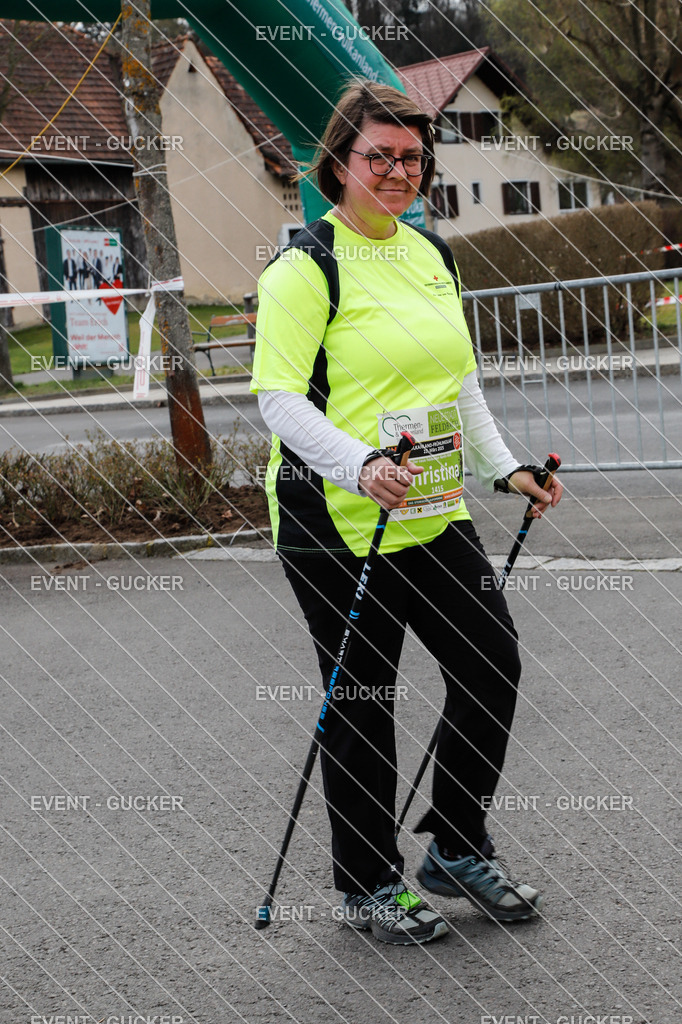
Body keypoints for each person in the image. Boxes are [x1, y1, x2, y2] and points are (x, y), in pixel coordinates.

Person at [251, 80, 562, 946]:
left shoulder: (432, 256)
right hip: (330, 519)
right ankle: (367, 883)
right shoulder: (304, 268)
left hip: (427, 506)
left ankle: (454, 846)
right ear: (339, 164)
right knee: (363, 697)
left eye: (411, 157)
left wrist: (507, 473)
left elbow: (457, 383)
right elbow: (278, 399)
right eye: (377, 155)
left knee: (492, 666)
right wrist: (358, 464)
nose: (396, 171)